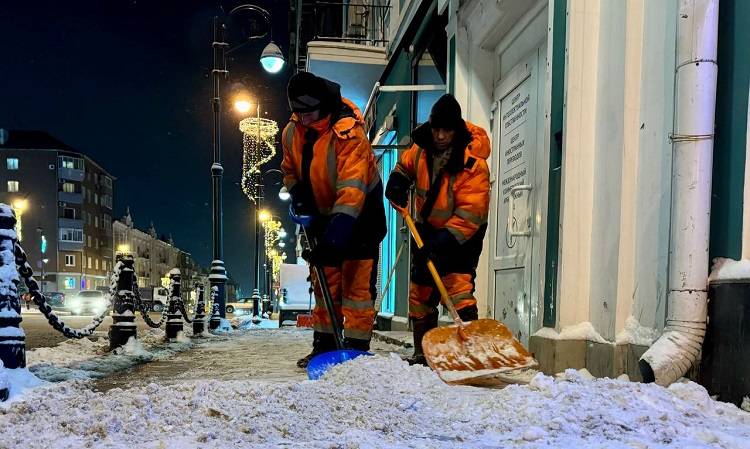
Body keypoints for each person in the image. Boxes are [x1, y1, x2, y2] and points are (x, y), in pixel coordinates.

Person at [281, 71, 387, 368]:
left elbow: (352, 190)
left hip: (360, 217)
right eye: (298, 113)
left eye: (310, 113)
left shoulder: (349, 134)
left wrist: (335, 237)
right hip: (322, 215)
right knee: (324, 281)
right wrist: (297, 192)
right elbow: (289, 169)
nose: (304, 120)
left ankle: (355, 350)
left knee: (356, 290)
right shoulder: (291, 132)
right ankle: (324, 347)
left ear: (324, 104)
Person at [385, 94, 491, 366]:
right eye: (436, 129)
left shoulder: (473, 164)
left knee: (457, 289)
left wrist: (442, 242)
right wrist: (397, 180)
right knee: (420, 291)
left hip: (461, 237)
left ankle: (470, 353)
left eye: (447, 130)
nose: (441, 136)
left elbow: (471, 215)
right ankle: (423, 351)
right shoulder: (421, 149)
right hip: (426, 230)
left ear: (457, 130)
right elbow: (404, 166)